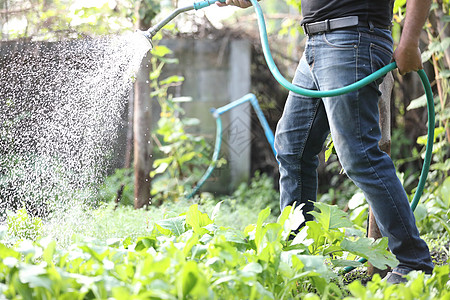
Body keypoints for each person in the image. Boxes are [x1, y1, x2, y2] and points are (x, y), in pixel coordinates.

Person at [217, 0, 434, 283]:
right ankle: (301, 259)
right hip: (317, 43)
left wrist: (411, 40)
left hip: (353, 38)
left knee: (358, 154)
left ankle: (413, 262)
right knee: (292, 147)